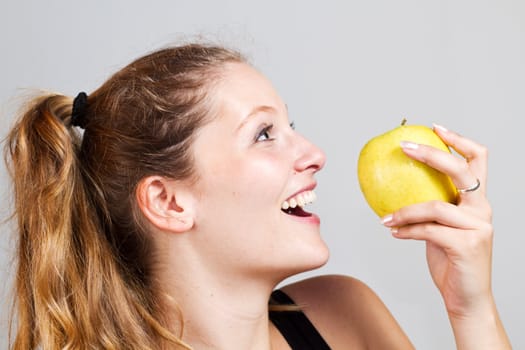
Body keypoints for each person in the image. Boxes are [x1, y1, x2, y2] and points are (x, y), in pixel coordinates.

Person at [4, 43, 511, 349]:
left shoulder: (344, 315)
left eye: (292, 125)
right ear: (169, 202)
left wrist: (470, 307)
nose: (315, 153)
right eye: (264, 134)